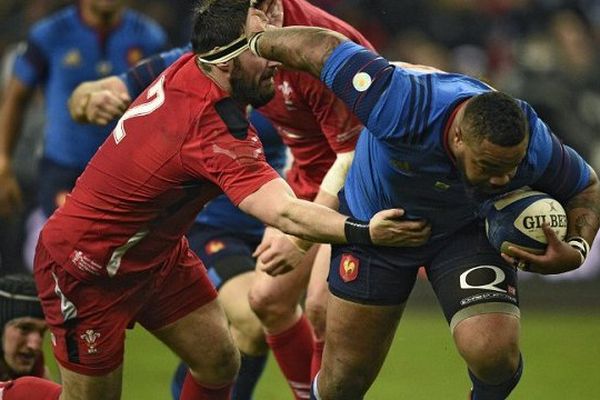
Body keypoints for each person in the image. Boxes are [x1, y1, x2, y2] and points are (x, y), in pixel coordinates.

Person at [24, 1, 410, 400]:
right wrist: (365, 231)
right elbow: (284, 211)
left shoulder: (199, 66)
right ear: (227, 63)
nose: (275, 63)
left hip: (158, 258)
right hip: (89, 267)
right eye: (262, 52)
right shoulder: (213, 133)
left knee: (220, 362)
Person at [244, 14, 600, 400]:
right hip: (376, 228)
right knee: (342, 383)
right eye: (489, 167)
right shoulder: (401, 103)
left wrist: (578, 248)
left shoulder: (534, 144)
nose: (502, 180)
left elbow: (587, 187)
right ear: (459, 138)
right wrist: (256, 44)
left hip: (464, 231)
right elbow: (321, 49)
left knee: (494, 355)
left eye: (510, 169)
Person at [70, 44, 285, 400]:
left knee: (252, 337)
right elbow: (90, 93)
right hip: (213, 226)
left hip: (277, 223)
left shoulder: (287, 67)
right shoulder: (195, 63)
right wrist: (88, 100)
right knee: (251, 320)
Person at [0, 0, 167, 258]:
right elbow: (16, 97)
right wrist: (3, 160)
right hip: (64, 169)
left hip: (125, 172)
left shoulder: (150, 37)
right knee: (67, 246)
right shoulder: (49, 34)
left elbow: (165, 105)